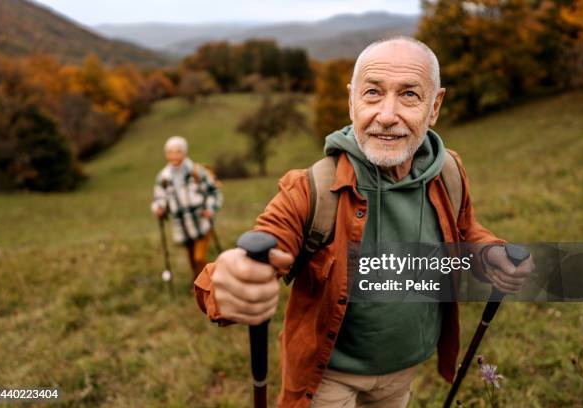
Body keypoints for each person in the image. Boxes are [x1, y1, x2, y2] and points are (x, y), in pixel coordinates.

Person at [194, 37, 534, 407]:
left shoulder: (448, 171)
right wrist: (231, 281)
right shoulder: (312, 189)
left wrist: (490, 254)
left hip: (402, 371)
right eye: (372, 93)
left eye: (409, 95)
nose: (387, 115)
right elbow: (262, 246)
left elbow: (464, 230)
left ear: (434, 106)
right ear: (351, 99)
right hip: (327, 379)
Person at [151, 136, 222, 281]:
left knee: (199, 257)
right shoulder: (164, 177)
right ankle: (199, 284)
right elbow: (160, 198)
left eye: (178, 152)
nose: (174, 156)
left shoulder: (197, 171)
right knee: (192, 258)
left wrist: (210, 208)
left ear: (184, 153)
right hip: (182, 225)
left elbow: (213, 192)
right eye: (170, 152)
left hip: (201, 221)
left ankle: (210, 283)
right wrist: (159, 208)